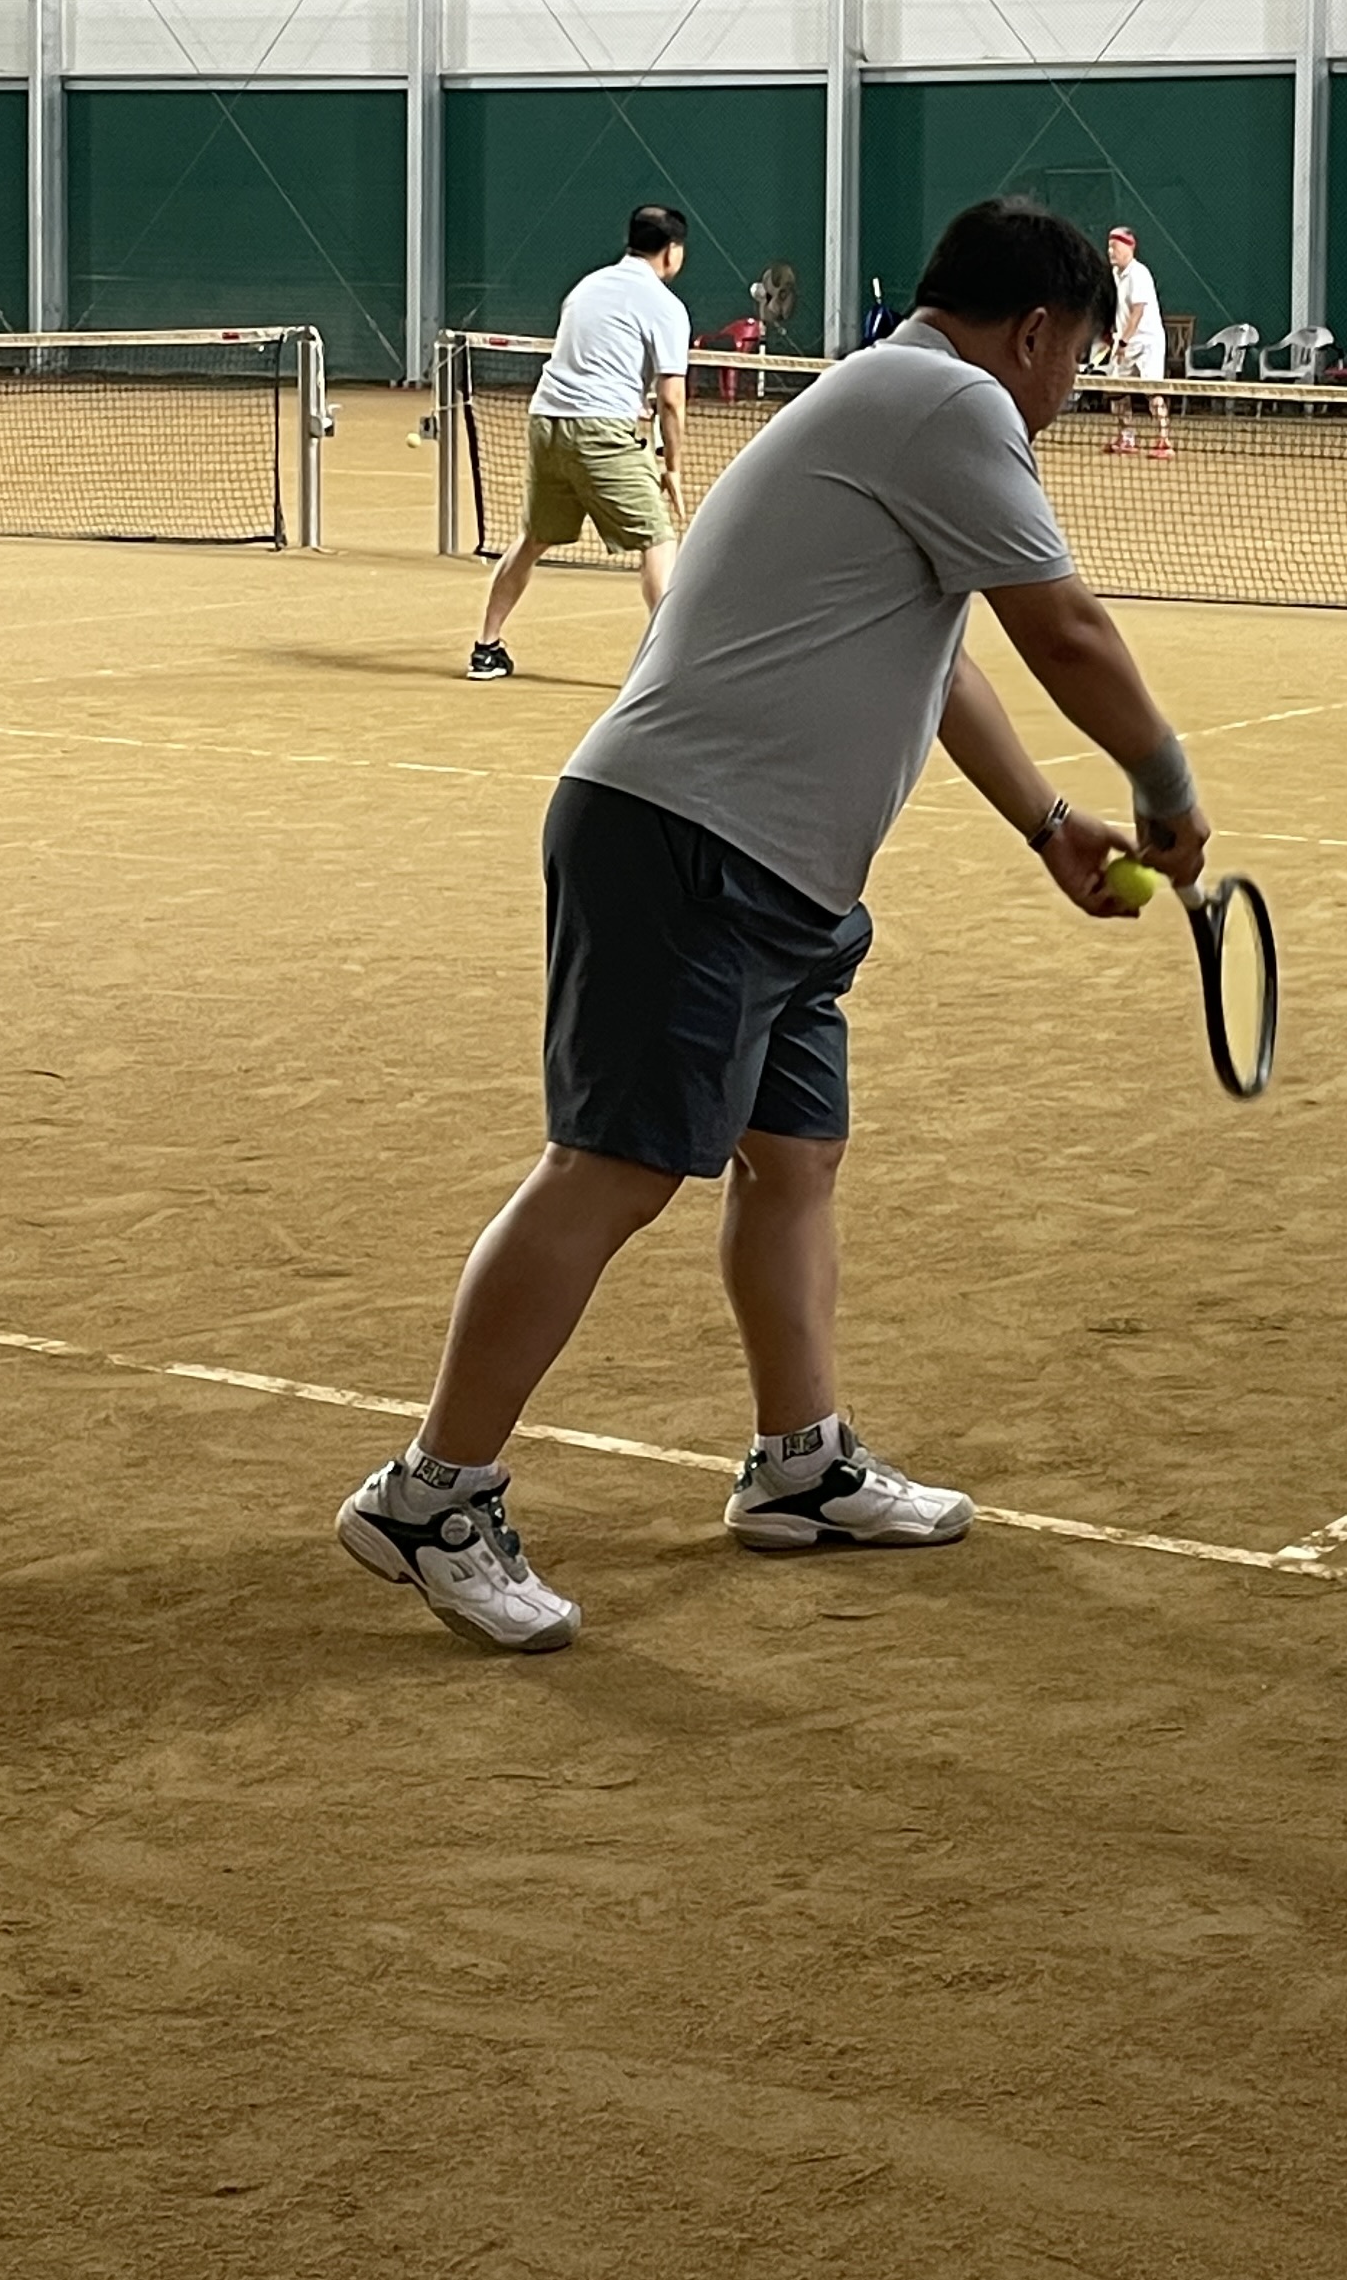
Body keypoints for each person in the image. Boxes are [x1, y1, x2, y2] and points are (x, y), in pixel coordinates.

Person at [339, 198, 1212, 1653]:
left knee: (793, 1158)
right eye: (1075, 360)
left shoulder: (895, 398)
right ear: (1035, 332)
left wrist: (1052, 823)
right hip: (689, 844)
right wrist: (1167, 789)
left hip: (786, 878)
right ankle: (432, 1494)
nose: (1072, 390)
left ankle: (800, 1464)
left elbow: (941, 665)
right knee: (612, 1171)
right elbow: (1065, 631)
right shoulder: (948, 401)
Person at [469, 206, 691, 679]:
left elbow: (592, 362)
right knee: (657, 539)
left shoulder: (585, 288)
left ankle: (486, 648)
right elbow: (672, 399)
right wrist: (672, 465)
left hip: (546, 425)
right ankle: (669, 666)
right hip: (601, 434)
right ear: (672, 252)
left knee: (532, 539)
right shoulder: (665, 306)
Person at [1103, 224, 1171, 456]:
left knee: (1153, 392)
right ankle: (1127, 438)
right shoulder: (1115, 274)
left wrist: (1123, 342)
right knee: (1116, 391)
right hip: (1125, 341)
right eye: (1109, 247)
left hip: (1147, 342)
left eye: (1115, 247)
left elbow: (1137, 312)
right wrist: (1114, 336)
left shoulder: (1139, 274)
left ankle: (1164, 440)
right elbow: (1119, 310)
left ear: (1129, 248)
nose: (1110, 252)